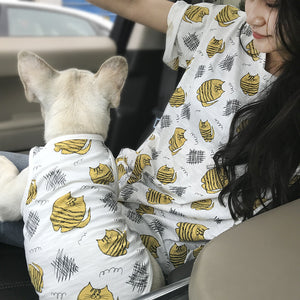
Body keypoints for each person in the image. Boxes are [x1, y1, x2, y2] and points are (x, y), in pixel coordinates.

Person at [0, 0, 299, 298]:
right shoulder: (224, 27)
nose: (253, 15)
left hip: (146, 247)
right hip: (111, 186)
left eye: (273, 6)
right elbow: (133, 3)